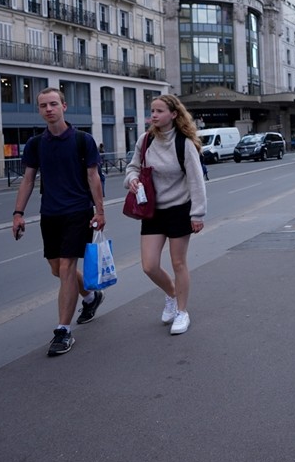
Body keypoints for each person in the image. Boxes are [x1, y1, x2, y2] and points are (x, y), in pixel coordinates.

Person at [11, 87, 106, 357]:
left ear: (64, 106)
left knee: (66, 267)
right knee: (56, 269)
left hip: (78, 211)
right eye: (43, 106)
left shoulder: (82, 140)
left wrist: (100, 211)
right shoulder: (36, 144)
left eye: (54, 104)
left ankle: (63, 331)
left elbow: (93, 177)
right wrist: (18, 213)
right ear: (39, 111)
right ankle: (90, 296)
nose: (49, 109)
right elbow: (28, 180)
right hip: (50, 213)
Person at [125, 95, 207, 335]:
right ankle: (171, 294)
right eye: (152, 110)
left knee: (178, 262)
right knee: (149, 266)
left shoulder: (184, 143)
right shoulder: (146, 139)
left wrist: (198, 214)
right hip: (152, 209)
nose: (154, 115)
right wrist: (132, 179)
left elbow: (196, 181)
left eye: (159, 111)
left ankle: (182, 312)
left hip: (180, 209)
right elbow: (132, 167)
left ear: (173, 114)